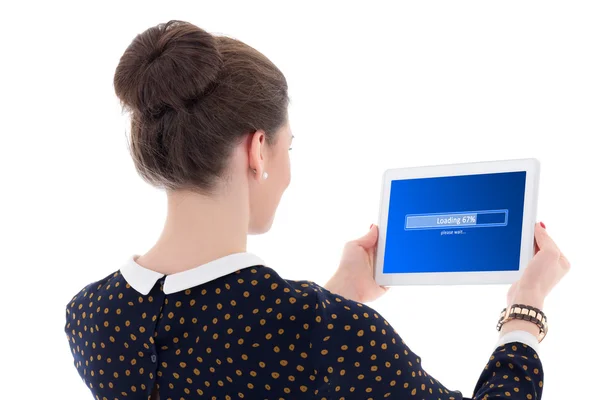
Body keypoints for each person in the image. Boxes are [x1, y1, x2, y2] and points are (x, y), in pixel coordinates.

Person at [64, 20, 570, 400]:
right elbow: (281, 352)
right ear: (257, 150)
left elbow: (242, 357)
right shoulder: (327, 334)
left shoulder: (92, 317)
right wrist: (525, 309)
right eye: (289, 147)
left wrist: (341, 294)